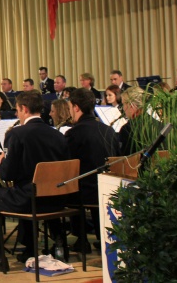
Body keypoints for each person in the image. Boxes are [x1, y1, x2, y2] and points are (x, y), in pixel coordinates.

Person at [0, 91, 70, 270]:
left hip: (30, 200)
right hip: (57, 199)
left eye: (18, 110)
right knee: (25, 189)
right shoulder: (57, 134)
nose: (16, 114)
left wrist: (3, 161)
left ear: (24, 109)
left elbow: (7, 175)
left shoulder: (17, 134)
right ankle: (33, 249)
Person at [65, 88, 120, 253]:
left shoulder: (74, 133)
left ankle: (80, 240)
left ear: (76, 107)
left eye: (70, 107)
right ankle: (101, 236)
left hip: (85, 192)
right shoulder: (109, 130)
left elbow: (67, 166)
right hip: (108, 187)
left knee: (67, 188)